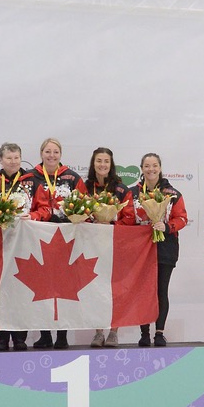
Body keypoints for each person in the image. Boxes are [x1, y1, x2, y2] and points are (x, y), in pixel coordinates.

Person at [0, 142, 48, 351]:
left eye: (16, 157)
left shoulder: (33, 182)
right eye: (9, 158)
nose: (13, 161)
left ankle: (20, 338)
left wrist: (34, 215)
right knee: (0, 291)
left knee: (23, 290)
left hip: (25, 244)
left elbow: (45, 208)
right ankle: (0, 338)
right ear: (1, 160)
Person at [124, 152, 187, 347]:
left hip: (165, 248)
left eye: (154, 166)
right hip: (140, 250)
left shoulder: (172, 193)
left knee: (161, 290)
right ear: (141, 169)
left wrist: (166, 227)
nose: (151, 169)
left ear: (160, 168)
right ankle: (144, 332)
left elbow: (182, 218)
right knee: (143, 291)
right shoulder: (132, 192)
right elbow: (126, 218)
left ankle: (159, 332)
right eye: (147, 166)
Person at [28, 138, 83, 348]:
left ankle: (62, 335)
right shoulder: (30, 177)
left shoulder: (72, 177)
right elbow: (25, 204)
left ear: (61, 154)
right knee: (41, 287)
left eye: (56, 152)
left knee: (64, 287)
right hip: (39, 236)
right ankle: (45, 334)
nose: (52, 155)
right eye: (48, 151)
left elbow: (84, 204)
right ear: (41, 153)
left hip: (66, 237)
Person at [79, 146, 131, 347]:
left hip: (114, 246)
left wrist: (110, 224)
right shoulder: (85, 187)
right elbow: (76, 212)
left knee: (114, 289)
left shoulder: (121, 189)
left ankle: (114, 332)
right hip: (90, 246)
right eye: (99, 161)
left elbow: (129, 218)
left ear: (111, 164)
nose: (102, 165)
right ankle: (98, 332)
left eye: (106, 161)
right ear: (93, 164)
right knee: (93, 288)